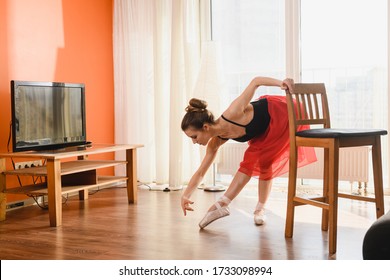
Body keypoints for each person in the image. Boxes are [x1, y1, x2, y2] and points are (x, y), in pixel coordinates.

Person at [180, 77, 316, 229]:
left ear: (205, 127)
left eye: (194, 136)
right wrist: (186, 195)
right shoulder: (215, 142)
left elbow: (256, 81)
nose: (194, 141)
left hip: (284, 113)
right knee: (264, 162)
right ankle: (259, 208)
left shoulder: (232, 113)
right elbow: (200, 173)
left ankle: (223, 204)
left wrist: (281, 84)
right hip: (264, 131)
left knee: (254, 159)